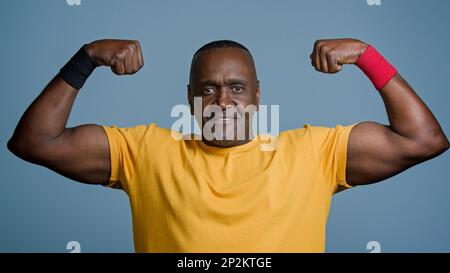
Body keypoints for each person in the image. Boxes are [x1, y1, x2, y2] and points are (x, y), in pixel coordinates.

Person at [7, 38, 449, 252]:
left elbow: (424, 139)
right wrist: (85, 60)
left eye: (236, 88)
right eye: (208, 89)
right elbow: (34, 141)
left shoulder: (315, 152)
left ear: (258, 94)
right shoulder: (144, 151)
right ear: (189, 98)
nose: (223, 101)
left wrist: (368, 57)